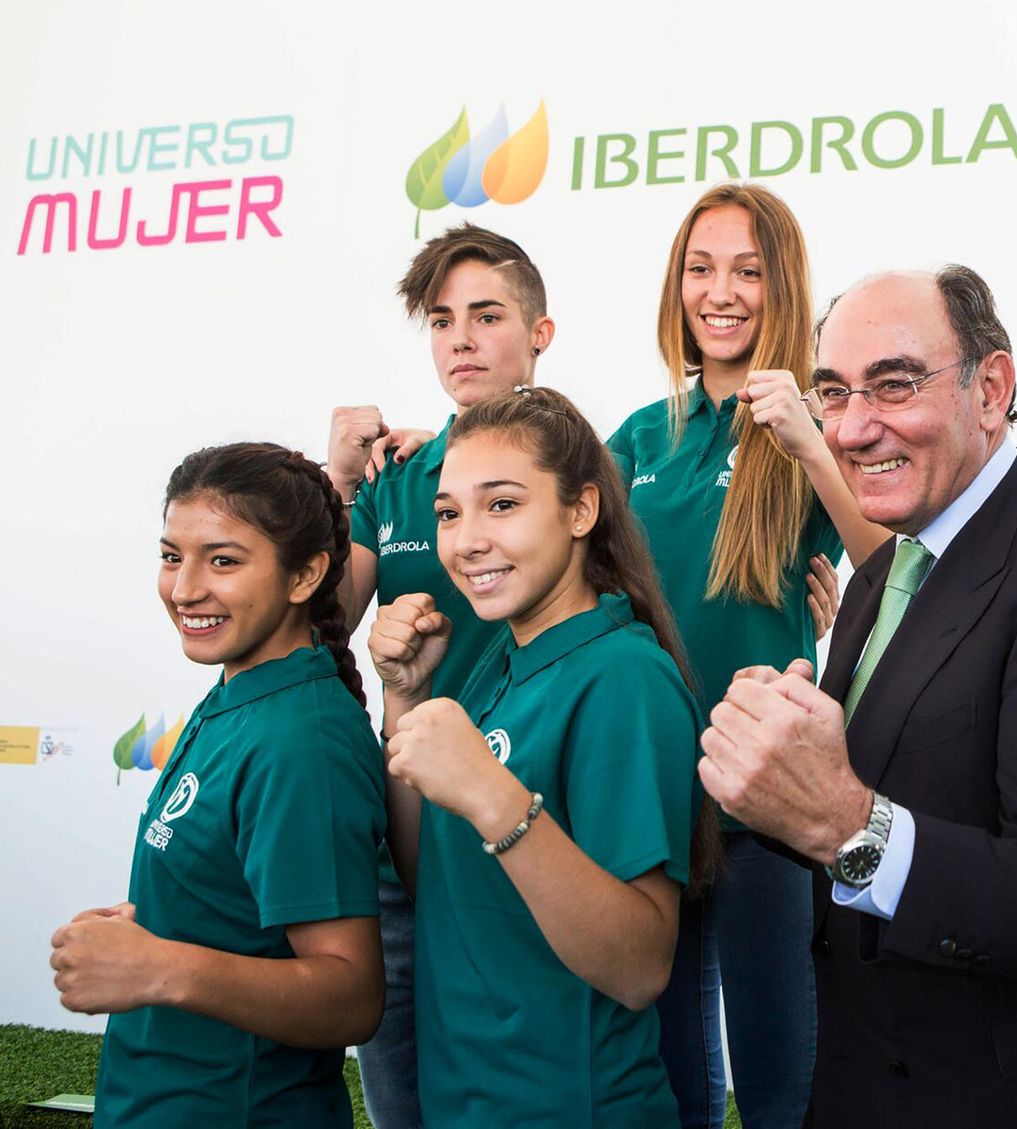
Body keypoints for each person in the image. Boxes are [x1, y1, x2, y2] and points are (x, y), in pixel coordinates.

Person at [698, 267, 1017, 1127]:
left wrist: (846, 823)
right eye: (833, 393)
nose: (854, 428)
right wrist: (782, 770)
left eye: (894, 385)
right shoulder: (883, 571)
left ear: (991, 389)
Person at [608, 183, 883, 1128]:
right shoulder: (642, 435)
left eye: (748, 270)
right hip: (653, 797)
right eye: (701, 267)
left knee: (782, 1084)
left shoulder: (813, 426)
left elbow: (896, 571)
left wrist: (812, 443)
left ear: (784, 287)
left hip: (767, 799)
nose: (720, 292)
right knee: (676, 1078)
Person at [369, 386, 702, 1126]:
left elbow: (641, 964)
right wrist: (405, 701)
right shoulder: (499, 659)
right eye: (449, 512)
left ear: (581, 511)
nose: (466, 539)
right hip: (464, 1099)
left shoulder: (623, 676)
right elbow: (438, 878)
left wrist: (495, 795)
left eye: (503, 504)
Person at [51, 443, 386, 1128]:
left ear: (306, 575)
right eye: (172, 555)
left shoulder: (302, 739)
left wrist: (160, 966)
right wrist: (147, 934)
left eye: (223, 560)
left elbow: (351, 995)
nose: (184, 588)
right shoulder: (241, 689)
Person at [323, 222, 552, 1128]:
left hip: (529, 830)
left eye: (487, 315)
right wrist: (340, 485)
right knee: (405, 1101)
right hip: (407, 842)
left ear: (539, 333)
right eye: (443, 319)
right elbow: (329, 621)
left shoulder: (586, 466)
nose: (461, 338)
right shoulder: (399, 474)